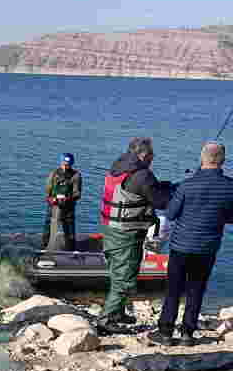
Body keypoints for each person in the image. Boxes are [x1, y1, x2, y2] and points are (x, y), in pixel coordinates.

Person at [149, 142, 233, 347]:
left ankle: (166, 332)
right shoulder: (230, 187)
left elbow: (170, 214)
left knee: (174, 289)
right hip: (207, 248)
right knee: (197, 289)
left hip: (181, 246)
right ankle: (187, 333)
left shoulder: (187, 185)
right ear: (222, 160)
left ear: (202, 159)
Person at [97, 137, 173, 334]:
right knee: (124, 277)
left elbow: (141, 190)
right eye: (152, 154)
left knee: (119, 272)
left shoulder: (119, 167)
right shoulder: (142, 174)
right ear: (144, 155)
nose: (153, 158)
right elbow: (161, 201)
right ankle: (105, 320)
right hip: (127, 233)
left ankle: (118, 312)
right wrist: (175, 190)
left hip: (112, 228)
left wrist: (163, 185)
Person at [42, 152, 82, 251]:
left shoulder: (76, 175)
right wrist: (50, 199)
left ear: (71, 164)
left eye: (68, 165)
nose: (66, 166)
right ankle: (44, 248)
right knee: (48, 228)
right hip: (54, 206)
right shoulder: (53, 174)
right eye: (64, 164)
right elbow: (48, 190)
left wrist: (67, 199)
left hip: (68, 207)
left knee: (69, 229)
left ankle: (71, 250)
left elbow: (77, 194)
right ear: (61, 163)